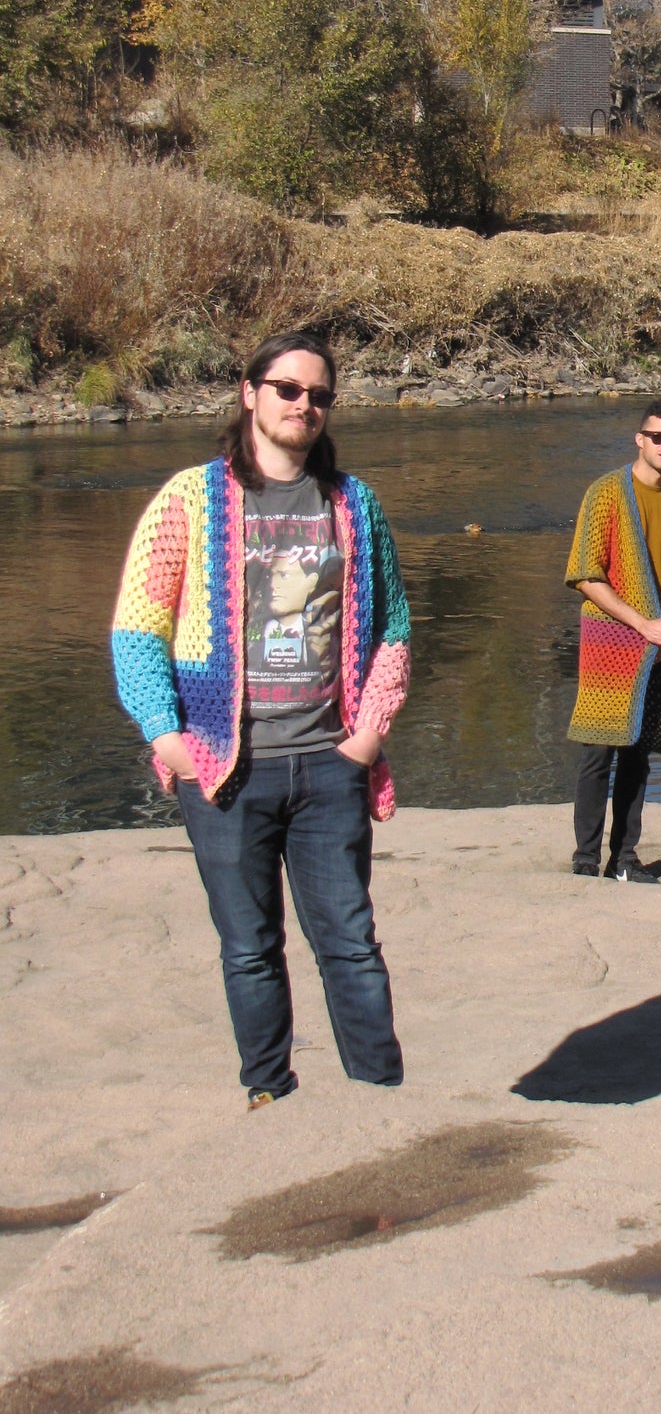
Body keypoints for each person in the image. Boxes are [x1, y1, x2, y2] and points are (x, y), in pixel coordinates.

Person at [111, 331, 411, 1110]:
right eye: (287, 389)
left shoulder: (354, 502)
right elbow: (137, 625)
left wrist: (368, 734)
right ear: (250, 392)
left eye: (318, 395)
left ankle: (381, 1105)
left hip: (328, 764)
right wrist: (165, 734)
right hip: (224, 769)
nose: (303, 405)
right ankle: (268, 1096)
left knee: (350, 945)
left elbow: (393, 627)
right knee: (249, 948)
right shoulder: (188, 499)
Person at [566, 401, 661, 882]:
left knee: (637, 754)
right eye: (658, 437)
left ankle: (624, 858)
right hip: (609, 641)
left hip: (659, 648)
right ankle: (585, 858)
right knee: (597, 751)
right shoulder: (605, 494)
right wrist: (641, 623)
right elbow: (587, 576)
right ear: (639, 438)